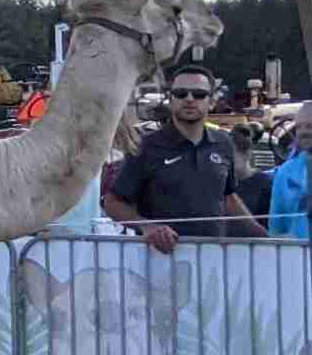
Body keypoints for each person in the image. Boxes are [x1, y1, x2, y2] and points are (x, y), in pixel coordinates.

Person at [104, 63, 265, 254]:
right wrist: (147, 227)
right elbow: (112, 203)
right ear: (170, 100)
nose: (189, 99)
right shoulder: (146, 147)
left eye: (199, 94)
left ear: (211, 101)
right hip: (159, 261)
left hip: (213, 261)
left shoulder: (224, 143)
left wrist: (264, 236)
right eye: (181, 93)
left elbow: (227, 197)